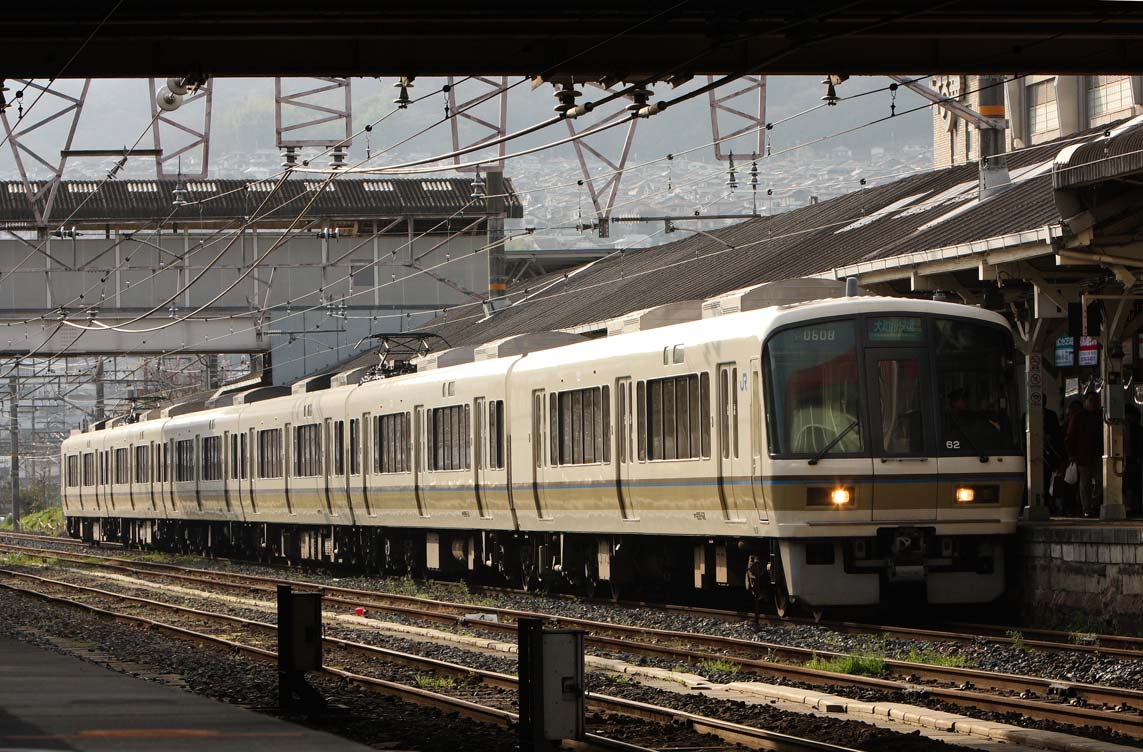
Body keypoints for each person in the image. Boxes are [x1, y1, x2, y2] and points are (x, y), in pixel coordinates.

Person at [1066, 392, 1104, 518]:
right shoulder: (1079, 417)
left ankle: (1094, 504)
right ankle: (1087, 508)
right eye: (1091, 400)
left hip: (1099, 453)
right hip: (1083, 455)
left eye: (1096, 401)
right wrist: (1071, 453)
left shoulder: (1101, 416)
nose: (1094, 403)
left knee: (1100, 481)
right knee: (1085, 482)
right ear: (1085, 402)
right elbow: (1071, 436)